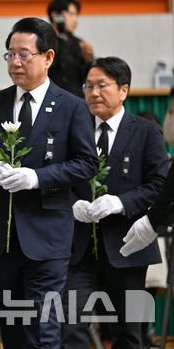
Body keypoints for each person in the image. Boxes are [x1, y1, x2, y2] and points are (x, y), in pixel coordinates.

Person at [0, 17, 98, 348]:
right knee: (13, 331)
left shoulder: (71, 107)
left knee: (43, 328)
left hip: (47, 236)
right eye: (9, 55)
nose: (15, 62)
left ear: (48, 57)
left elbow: (86, 163)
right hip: (1, 236)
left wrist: (37, 177)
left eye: (24, 54)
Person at [61, 57, 169, 347]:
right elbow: (59, 179)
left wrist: (120, 202)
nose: (94, 93)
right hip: (79, 252)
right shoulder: (74, 130)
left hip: (128, 249)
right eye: (88, 86)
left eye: (102, 86)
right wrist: (73, 204)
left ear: (123, 90)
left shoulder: (146, 132)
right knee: (70, 329)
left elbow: (160, 185)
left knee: (128, 334)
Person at [47, 0, 94, 97]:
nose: (75, 20)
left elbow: (88, 79)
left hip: (76, 100)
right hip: (52, 99)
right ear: (55, 15)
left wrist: (89, 60)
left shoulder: (80, 44)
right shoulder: (45, 42)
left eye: (76, 15)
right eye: (71, 14)